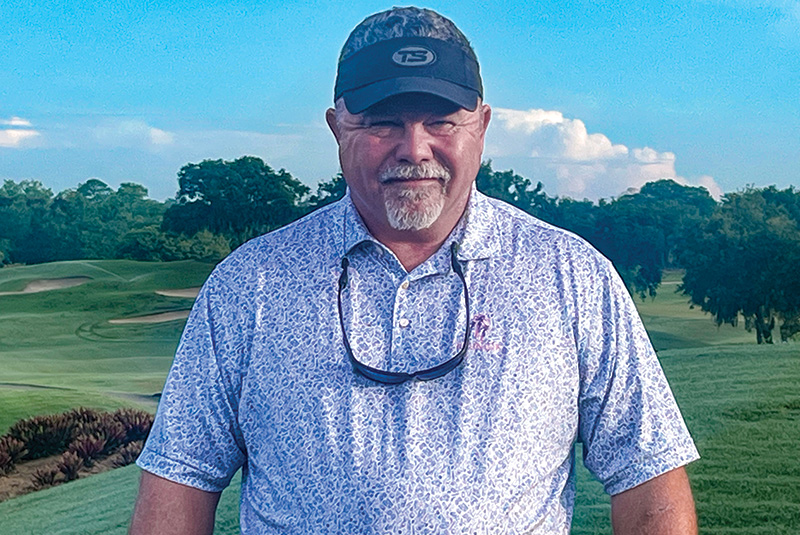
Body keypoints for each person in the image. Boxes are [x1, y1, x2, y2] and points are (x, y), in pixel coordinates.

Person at [130, 7, 699, 534]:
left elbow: (647, 476)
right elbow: (181, 479)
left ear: (482, 125)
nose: (414, 147)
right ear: (337, 128)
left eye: (441, 120)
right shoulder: (249, 283)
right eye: (383, 122)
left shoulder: (571, 276)